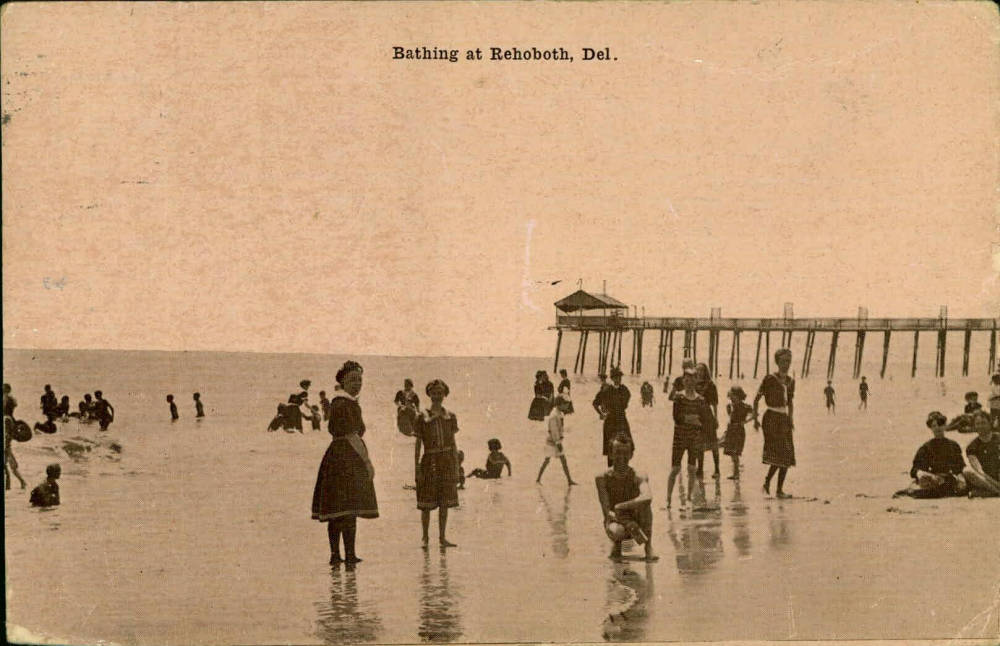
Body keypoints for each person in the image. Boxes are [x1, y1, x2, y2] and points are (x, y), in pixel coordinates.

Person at [311, 361, 379, 565]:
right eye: (352, 380)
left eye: (359, 380)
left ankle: (340, 555)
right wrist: (367, 462)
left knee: (340, 509)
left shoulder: (342, 403)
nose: (357, 384)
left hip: (338, 458)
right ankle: (344, 555)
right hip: (346, 458)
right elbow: (351, 435)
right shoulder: (344, 404)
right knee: (346, 509)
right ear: (342, 381)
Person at [595, 432, 658, 562]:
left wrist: (620, 506)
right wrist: (625, 521)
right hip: (616, 521)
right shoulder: (602, 478)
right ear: (611, 454)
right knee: (616, 530)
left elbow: (648, 497)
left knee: (645, 506)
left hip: (637, 519)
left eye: (625, 453)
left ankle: (648, 547)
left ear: (631, 455)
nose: (621, 457)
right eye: (617, 452)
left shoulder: (638, 475)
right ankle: (617, 546)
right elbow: (607, 511)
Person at [414, 379, 460, 548]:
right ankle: (425, 538)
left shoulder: (450, 416)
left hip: (447, 460)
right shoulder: (422, 416)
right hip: (429, 460)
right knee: (426, 503)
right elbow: (418, 444)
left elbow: (454, 443)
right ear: (429, 394)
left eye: (440, 392)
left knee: (444, 502)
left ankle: (442, 538)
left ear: (445, 394)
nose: (437, 396)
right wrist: (416, 468)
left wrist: (456, 466)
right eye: (434, 392)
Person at [666, 367, 714, 508]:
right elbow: (677, 418)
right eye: (687, 379)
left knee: (692, 468)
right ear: (683, 381)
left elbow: (705, 419)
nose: (689, 382)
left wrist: (695, 421)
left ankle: (688, 498)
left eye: (692, 379)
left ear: (696, 381)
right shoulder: (678, 397)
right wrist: (692, 419)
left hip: (694, 437)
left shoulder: (700, 399)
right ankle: (668, 499)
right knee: (675, 469)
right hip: (679, 437)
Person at [753, 348, 796, 498]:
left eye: (788, 361)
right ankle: (771, 485)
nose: (786, 364)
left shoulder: (791, 381)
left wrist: (791, 419)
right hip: (771, 419)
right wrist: (755, 418)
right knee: (779, 453)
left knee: (787, 455)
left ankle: (775, 487)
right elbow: (757, 398)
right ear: (777, 362)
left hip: (784, 419)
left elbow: (790, 402)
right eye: (783, 361)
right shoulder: (770, 378)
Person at [900, 411, 967, 498]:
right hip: (931, 479)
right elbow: (915, 470)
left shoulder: (953, 445)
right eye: (934, 426)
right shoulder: (926, 447)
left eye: (940, 424)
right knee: (925, 482)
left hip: (948, 480)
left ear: (945, 426)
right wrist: (924, 475)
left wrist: (961, 478)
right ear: (930, 428)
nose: (937, 428)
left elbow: (959, 467)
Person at [593, 366, 632, 466]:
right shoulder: (607, 390)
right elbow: (595, 403)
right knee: (611, 450)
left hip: (621, 421)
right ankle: (611, 473)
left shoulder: (625, 390)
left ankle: (623, 473)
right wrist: (602, 414)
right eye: (615, 377)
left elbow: (624, 404)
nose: (617, 379)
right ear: (612, 378)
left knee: (626, 447)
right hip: (610, 422)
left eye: (619, 377)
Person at [536, 395, 577, 485]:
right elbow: (554, 431)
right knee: (547, 460)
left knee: (562, 460)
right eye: (565, 404)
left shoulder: (559, 413)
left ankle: (569, 480)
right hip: (552, 442)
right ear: (560, 404)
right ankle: (538, 479)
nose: (567, 406)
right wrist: (558, 443)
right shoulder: (554, 416)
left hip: (556, 441)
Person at [962, 410, 1000, 497]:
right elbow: (979, 470)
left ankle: (991, 492)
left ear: (990, 423)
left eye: (983, 423)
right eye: (978, 423)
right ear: (974, 426)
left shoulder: (998, 438)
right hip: (986, 479)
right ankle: (997, 492)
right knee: (967, 472)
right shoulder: (972, 446)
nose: (980, 426)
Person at [722, 386, 754, 480]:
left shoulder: (744, 406)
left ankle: (736, 474)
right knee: (732, 453)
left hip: (739, 430)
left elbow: (755, 414)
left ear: (738, 396)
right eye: (731, 395)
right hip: (731, 429)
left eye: (733, 395)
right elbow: (730, 417)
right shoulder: (729, 406)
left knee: (735, 453)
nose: (731, 397)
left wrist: (745, 421)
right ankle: (735, 473)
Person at [694, 363, 720, 479]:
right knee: (699, 444)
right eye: (698, 370)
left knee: (713, 443)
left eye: (702, 370)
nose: (699, 372)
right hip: (697, 416)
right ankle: (700, 470)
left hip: (708, 416)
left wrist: (716, 417)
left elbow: (714, 404)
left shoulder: (710, 385)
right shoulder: (693, 384)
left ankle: (717, 469)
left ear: (705, 372)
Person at [4, 395, 27, 490]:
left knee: (9, 468)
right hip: (7, 447)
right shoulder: (9, 418)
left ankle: (17, 484)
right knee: (12, 467)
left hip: (6, 447)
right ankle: (22, 482)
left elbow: (8, 435)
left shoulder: (7, 419)